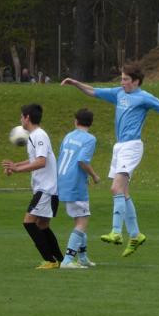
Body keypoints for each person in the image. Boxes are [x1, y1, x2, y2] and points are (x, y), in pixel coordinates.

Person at [61, 62, 159, 257]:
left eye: (126, 79)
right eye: (122, 78)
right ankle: (135, 235)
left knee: (115, 188)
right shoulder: (118, 93)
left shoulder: (144, 97)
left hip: (132, 146)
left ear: (136, 81)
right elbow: (93, 91)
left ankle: (116, 232)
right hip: (119, 147)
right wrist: (75, 83)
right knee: (123, 192)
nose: (122, 82)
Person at [1, 103, 63, 269]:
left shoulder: (39, 135)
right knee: (42, 226)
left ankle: (50, 260)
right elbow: (34, 160)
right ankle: (60, 260)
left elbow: (41, 162)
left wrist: (17, 169)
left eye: (21, 116)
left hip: (46, 189)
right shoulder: (34, 136)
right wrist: (15, 167)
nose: (20, 119)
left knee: (29, 223)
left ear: (27, 117)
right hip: (46, 189)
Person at [57, 108, 102, 269]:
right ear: (90, 123)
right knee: (82, 222)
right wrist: (95, 176)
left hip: (63, 179)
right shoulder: (89, 139)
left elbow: (63, 157)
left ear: (76, 121)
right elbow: (82, 161)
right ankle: (68, 260)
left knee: (79, 219)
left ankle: (82, 258)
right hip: (74, 182)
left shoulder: (68, 136)